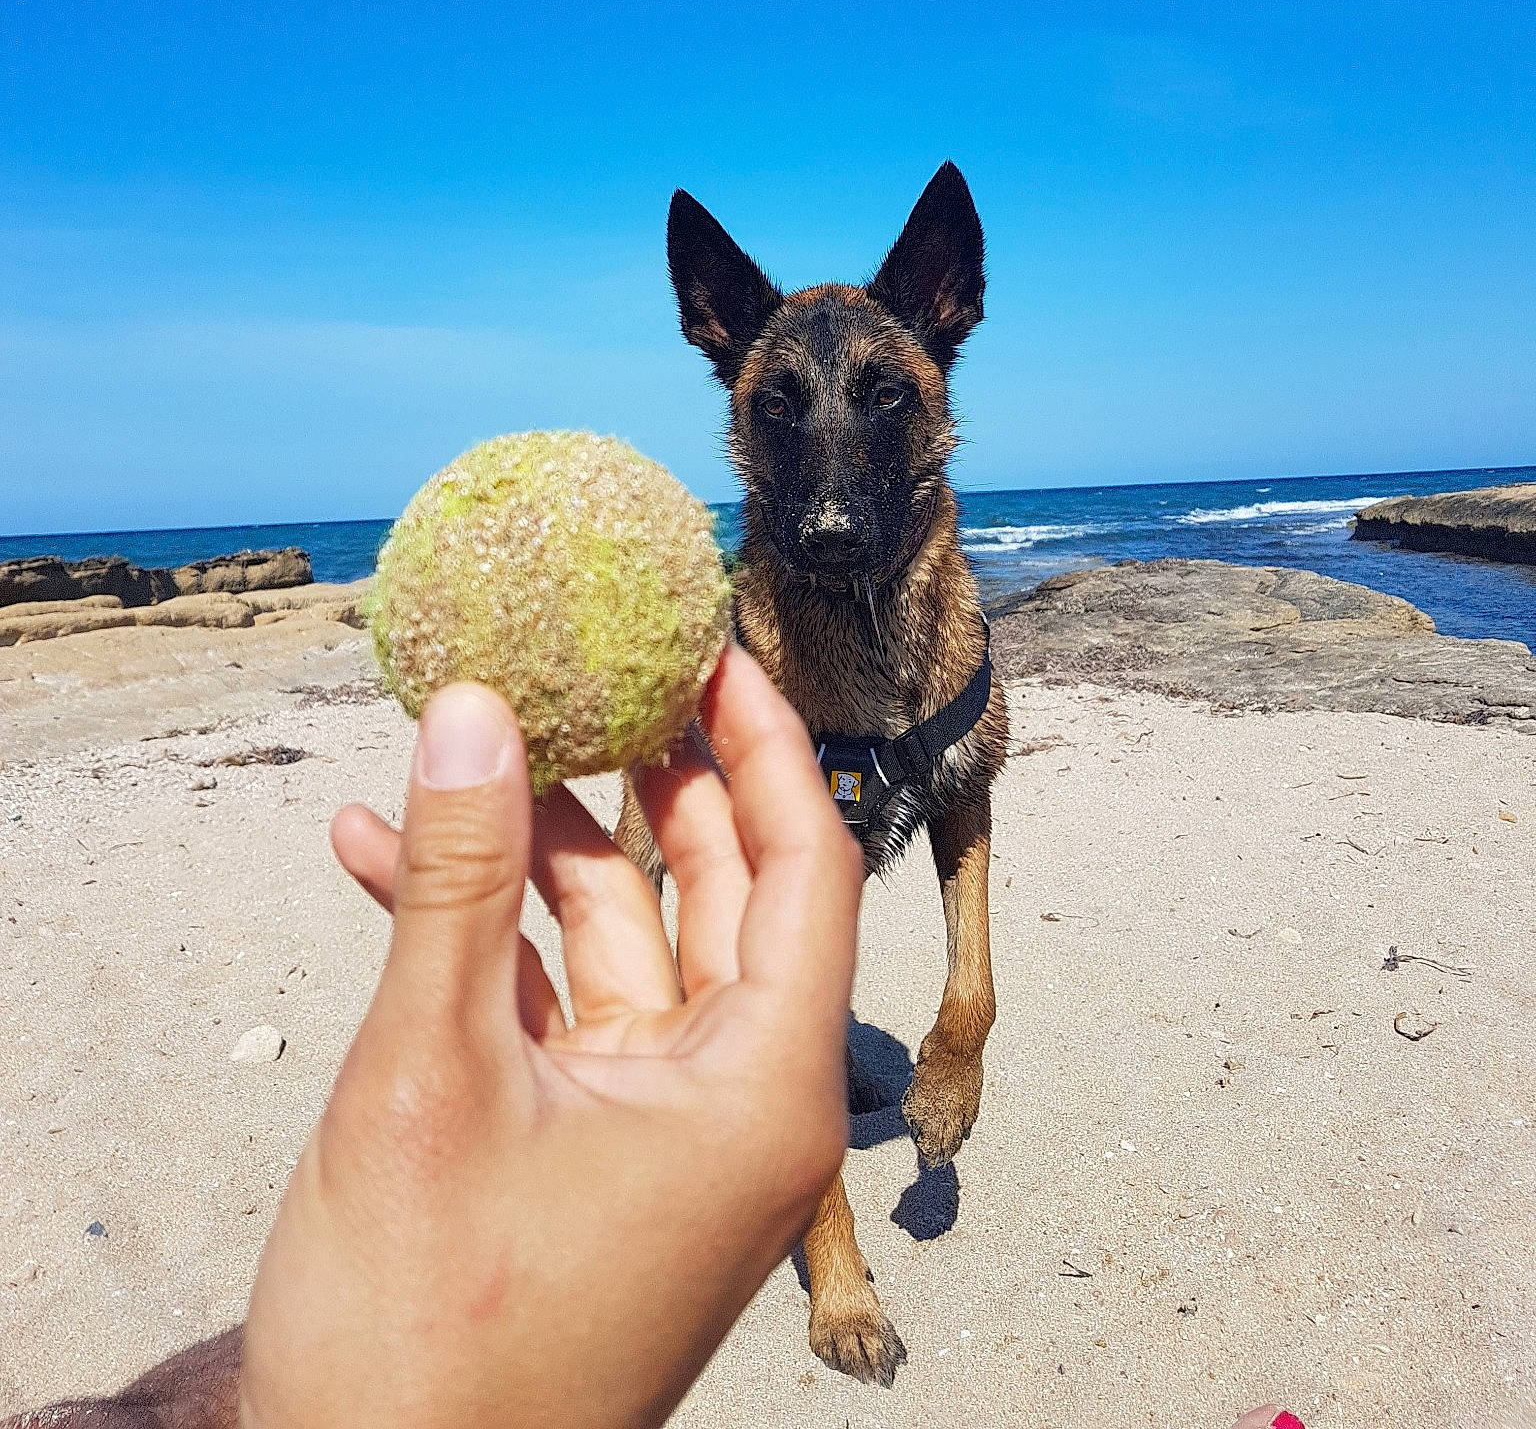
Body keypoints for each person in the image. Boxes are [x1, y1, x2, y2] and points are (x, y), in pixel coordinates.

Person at [8, 651, 1304, 1429]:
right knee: (668, 894)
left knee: (757, 979)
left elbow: (966, 829)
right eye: (783, 415)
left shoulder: (958, 671)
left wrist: (966, 1021)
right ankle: (832, 1264)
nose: (834, 491)